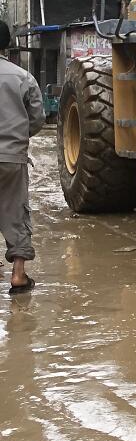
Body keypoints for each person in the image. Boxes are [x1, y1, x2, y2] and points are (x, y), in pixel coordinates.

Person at [0, 23, 44, 293]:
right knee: (16, 210)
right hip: (11, 157)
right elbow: (37, 119)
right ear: (7, 44)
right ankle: (18, 275)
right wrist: (18, 136)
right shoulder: (22, 77)